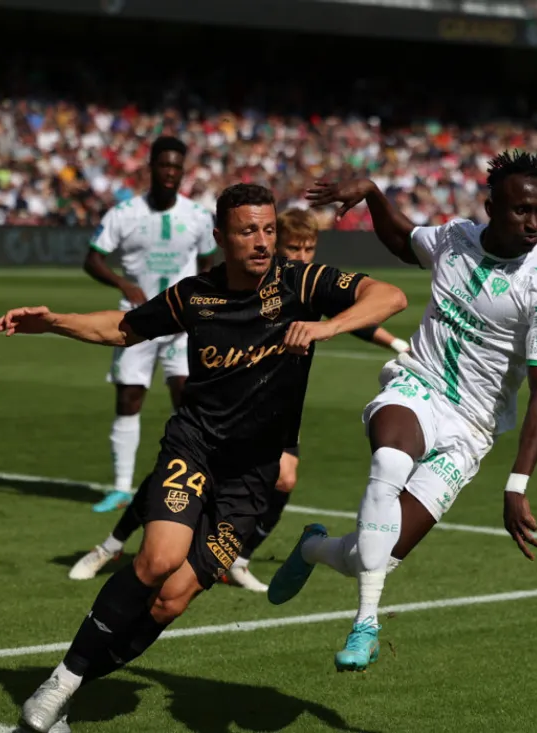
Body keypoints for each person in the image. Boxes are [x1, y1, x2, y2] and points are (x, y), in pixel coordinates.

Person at [0, 183, 407, 733]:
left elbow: (390, 296)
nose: (261, 242)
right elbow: (122, 328)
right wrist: (55, 322)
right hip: (196, 447)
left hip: (252, 475)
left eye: (267, 230)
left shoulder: (302, 283)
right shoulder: (195, 295)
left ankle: (72, 687)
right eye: (247, 231)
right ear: (220, 237)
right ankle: (58, 685)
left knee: (171, 601)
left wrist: (327, 325)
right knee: (158, 559)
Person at [265, 150, 537, 672]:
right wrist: (372, 195)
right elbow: (402, 239)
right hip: (418, 384)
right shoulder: (456, 239)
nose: (533, 223)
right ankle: (366, 624)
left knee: (371, 554)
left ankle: (315, 547)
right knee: (388, 463)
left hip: (472, 427)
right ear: (491, 207)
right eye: (522, 210)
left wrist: (517, 485)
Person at [67, 207, 411, 592]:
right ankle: (111, 545)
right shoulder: (262, 280)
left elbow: (361, 313)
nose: (300, 255)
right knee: (176, 476)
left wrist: (395, 342)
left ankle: (240, 559)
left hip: (273, 411)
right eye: (293, 247)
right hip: (221, 407)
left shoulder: (306, 283)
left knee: (285, 477)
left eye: (308, 247)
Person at [84, 135, 218, 513]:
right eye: (164, 165)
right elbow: (92, 258)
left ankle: (189, 479)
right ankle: (122, 488)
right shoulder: (124, 213)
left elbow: (208, 260)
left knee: (187, 400)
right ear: (151, 168)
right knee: (129, 398)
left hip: (181, 324)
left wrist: (198, 297)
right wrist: (124, 283)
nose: (171, 173)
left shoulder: (197, 215)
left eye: (177, 167)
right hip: (136, 321)